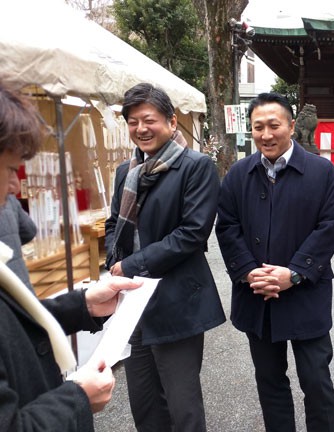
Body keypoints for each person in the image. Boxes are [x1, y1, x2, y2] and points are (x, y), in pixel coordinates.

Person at [0, 79, 143, 431]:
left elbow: (13, 325)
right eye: (8, 169)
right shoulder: (126, 170)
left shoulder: (194, 166)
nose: (16, 187)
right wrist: (77, 398)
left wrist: (81, 305)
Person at [216, 92, 334, 432]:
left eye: (274, 125)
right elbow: (226, 226)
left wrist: (296, 273)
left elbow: (329, 226)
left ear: (291, 126)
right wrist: (249, 272)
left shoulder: (321, 171)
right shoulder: (239, 173)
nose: (266, 134)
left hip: (305, 293)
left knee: (316, 381)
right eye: (258, 127)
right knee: (270, 381)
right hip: (257, 293)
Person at [105, 83, 225, 432]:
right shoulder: (125, 171)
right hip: (134, 301)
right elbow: (114, 222)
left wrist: (131, 264)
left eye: (149, 119)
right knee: (143, 402)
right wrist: (116, 258)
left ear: (172, 122)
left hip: (176, 300)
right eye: (132, 121)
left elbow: (192, 233)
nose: (140, 128)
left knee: (182, 404)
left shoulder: (196, 167)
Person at [0, 174, 37, 291]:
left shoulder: (7, 197)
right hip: (20, 292)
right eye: (10, 169)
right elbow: (29, 231)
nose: (17, 187)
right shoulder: (9, 199)